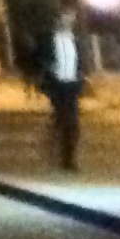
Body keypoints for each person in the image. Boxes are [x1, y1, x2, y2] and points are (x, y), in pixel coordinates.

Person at [45, 17, 85, 172]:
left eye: (69, 23)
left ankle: (69, 158)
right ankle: (57, 154)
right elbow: (41, 58)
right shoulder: (50, 41)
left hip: (72, 85)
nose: (67, 25)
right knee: (61, 120)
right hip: (57, 85)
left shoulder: (74, 41)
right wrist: (49, 69)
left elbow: (80, 61)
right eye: (64, 23)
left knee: (72, 123)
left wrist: (81, 77)